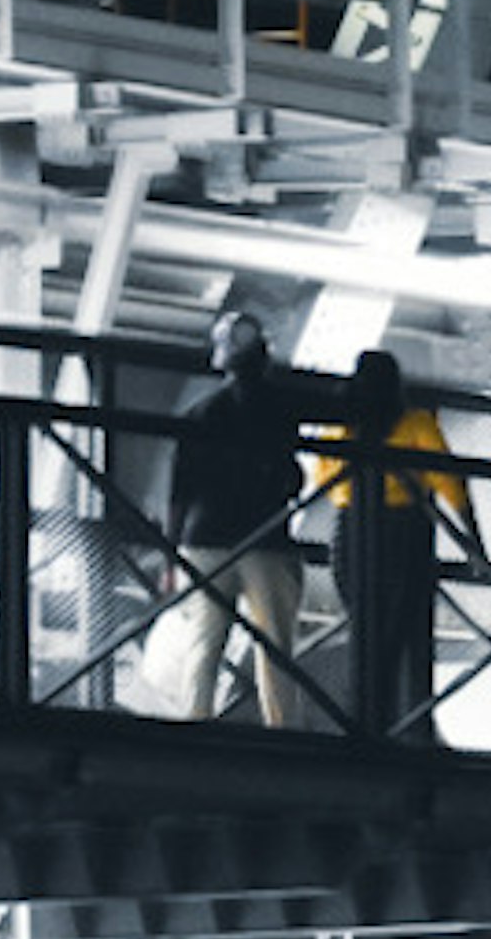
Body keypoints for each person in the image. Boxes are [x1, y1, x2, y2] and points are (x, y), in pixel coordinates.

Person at [154, 303, 316, 723]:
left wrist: (171, 557)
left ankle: (196, 722)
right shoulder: (283, 406)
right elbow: (339, 411)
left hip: (204, 539)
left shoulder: (201, 413)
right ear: (263, 357)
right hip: (265, 540)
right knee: (276, 645)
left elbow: (179, 492)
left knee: (203, 642)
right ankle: (283, 729)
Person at [325, 348, 474, 738]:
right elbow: (451, 483)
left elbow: (326, 483)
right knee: (400, 635)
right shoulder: (416, 423)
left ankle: (364, 722)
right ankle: (401, 727)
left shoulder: (343, 426)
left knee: (366, 629)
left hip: (352, 530)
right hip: (402, 534)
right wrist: (474, 544)